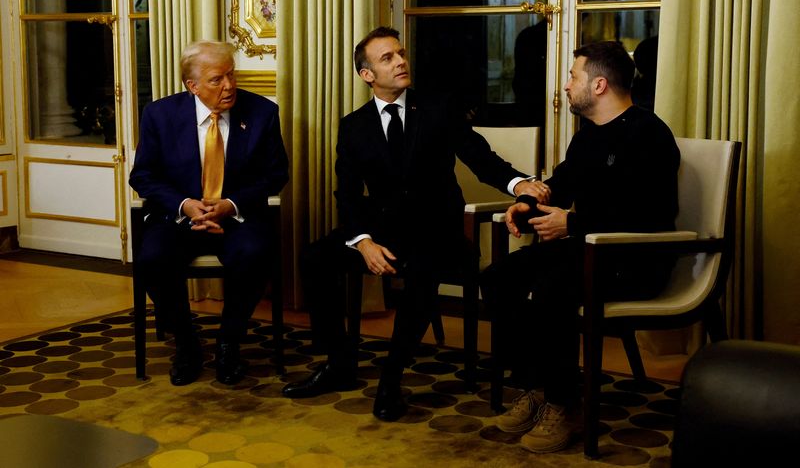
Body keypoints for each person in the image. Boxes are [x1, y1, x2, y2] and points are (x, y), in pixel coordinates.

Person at [281, 26, 541, 421]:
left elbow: (479, 156)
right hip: (383, 230)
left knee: (423, 268)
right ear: (367, 74)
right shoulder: (354, 126)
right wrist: (363, 242)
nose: (401, 61)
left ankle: (391, 379)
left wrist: (518, 182)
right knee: (315, 258)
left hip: (439, 230)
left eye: (400, 54)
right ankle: (339, 364)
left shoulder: (438, 107)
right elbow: (347, 194)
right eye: (387, 58)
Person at [480, 41, 679, 453]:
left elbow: (651, 217)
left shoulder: (650, 135)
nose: (566, 86)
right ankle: (535, 387)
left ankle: (563, 403)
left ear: (600, 84)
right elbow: (562, 183)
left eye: (573, 76)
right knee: (498, 277)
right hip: (586, 251)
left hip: (635, 259)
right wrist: (527, 204)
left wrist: (572, 222)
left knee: (553, 289)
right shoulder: (587, 138)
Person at [129, 40, 289, 387]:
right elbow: (142, 176)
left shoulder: (262, 112)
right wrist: (185, 205)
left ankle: (229, 341)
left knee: (255, 253)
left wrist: (229, 205)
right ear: (193, 86)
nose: (229, 86)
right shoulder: (159, 114)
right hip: (180, 217)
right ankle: (187, 343)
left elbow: (276, 174)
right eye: (217, 79)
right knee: (152, 259)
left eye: (231, 75)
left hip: (236, 216)